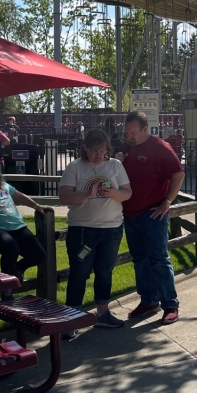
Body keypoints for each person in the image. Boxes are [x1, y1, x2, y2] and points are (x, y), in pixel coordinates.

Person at [58, 129, 132, 329]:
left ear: (107, 149)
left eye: (102, 150)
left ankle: (103, 313)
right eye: (94, 150)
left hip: (111, 229)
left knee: (105, 271)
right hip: (83, 230)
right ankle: (72, 318)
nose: (98, 154)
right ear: (85, 149)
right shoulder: (75, 167)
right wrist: (87, 194)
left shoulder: (115, 165)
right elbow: (64, 197)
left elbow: (127, 193)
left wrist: (114, 193)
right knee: (79, 272)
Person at [117, 111, 185, 324]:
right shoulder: (126, 147)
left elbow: (178, 174)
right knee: (139, 260)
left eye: (133, 132)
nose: (129, 135)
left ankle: (170, 304)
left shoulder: (160, 148)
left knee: (158, 259)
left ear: (145, 129)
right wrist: (118, 162)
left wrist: (167, 202)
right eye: (127, 132)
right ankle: (148, 300)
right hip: (130, 213)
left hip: (153, 213)